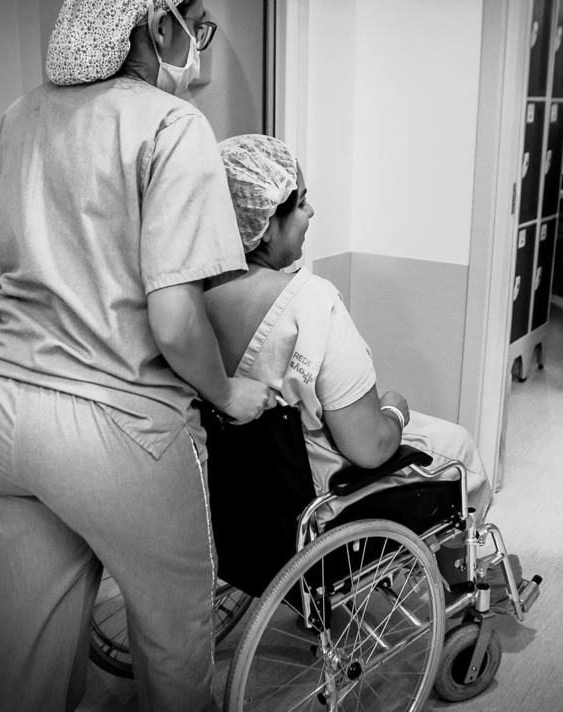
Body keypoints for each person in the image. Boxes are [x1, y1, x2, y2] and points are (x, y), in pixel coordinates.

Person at [0, 0, 274, 712]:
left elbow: (4, 265)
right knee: (176, 653)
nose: (197, 47)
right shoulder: (170, 126)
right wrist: (229, 394)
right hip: (115, 432)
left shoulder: (15, 119)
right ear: (158, 27)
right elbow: (175, 318)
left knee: (24, 673)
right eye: (195, 27)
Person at [203, 134, 493, 536]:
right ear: (267, 224)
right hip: (322, 502)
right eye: (302, 201)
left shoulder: (190, 304)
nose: (311, 211)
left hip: (245, 506)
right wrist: (393, 411)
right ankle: (470, 578)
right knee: (458, 445)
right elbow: (369, 448)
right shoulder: (313, 302)